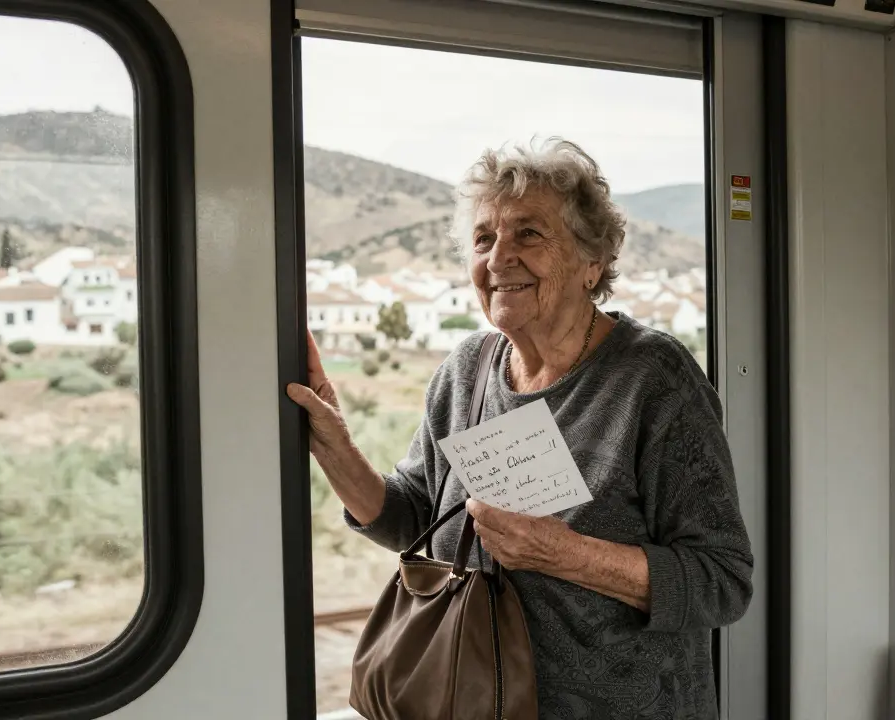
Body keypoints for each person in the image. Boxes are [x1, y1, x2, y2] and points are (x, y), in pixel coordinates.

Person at [287, 138, 753, 719]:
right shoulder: (467, 370)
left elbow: (720, 581)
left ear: (592, 261)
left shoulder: (652, 378)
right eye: (484, 238)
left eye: (528, 234)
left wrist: (563, 554)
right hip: (476, 704)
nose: (498, 257)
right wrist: (336, 448)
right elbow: (413, 519)